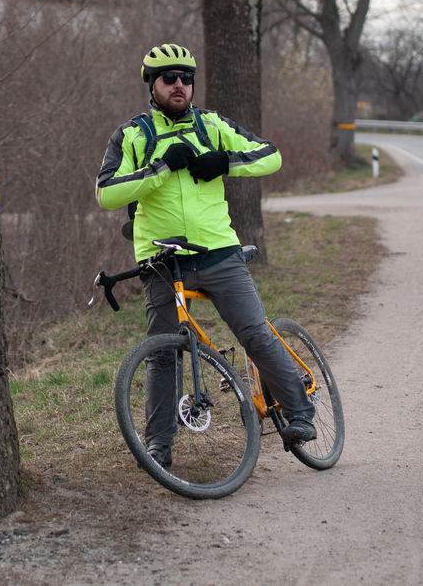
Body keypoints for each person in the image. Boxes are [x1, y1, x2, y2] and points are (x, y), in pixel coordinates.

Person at [95, 43, 315, 467]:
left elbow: (271, 156)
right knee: (163, 352)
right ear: (152, 85)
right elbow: (106, 193)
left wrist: (224, 162)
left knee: (253, 332)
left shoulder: (211, 125)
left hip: (218, 251)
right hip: (162, 259)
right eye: (169, 78)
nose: (179, 85)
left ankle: (300, 412)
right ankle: (159, 445)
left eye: (186, 78)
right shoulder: (132, 135)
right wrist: (160, 169)